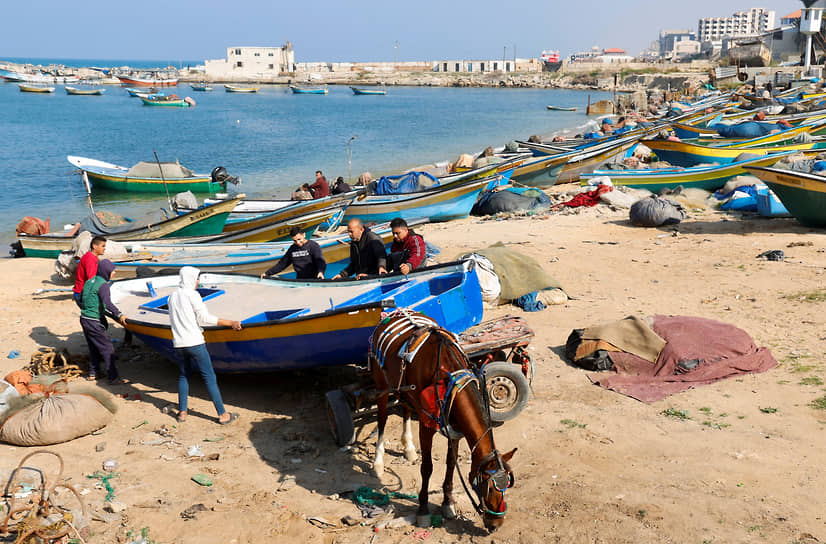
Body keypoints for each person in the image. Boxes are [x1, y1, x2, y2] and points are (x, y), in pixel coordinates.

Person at [167, 267, 242, 425]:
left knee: (183, 375)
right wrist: (231, 323)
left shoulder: (172, 296)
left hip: (179, 344)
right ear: (191, 279)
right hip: (194, 342)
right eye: (197, 279)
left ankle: (182, 413)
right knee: (209, 377)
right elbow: (205, 317)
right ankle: (222, 414)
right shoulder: (192, 295)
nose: (198, 282)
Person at [79, 259, 128, 383]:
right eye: (113, 271)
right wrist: (119, 314)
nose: (114, 273)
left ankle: (93, 372)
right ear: (106, 272)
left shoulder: (89, 281)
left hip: (84, 318)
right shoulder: (103, 285)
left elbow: (80, 298)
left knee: (94, 346)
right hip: (93, 321)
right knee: (107, 348)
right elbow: (108, 302)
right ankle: (113, 377)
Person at [260, 226, 326, 280]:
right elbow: (282, 264)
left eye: (299, 239)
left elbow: (320, 260)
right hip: (300, 280)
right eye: (295, 241)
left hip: (314, 279)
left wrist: (321, 272)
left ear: (304, 235)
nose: (297, 242)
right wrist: (267, 273)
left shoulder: (313, 246)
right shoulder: (292, 249)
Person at [73, 236, 106, 307]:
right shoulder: (90, 259)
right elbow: (91, 280)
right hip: (82, 293)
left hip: (81, 292)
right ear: (94, 246)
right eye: (103, 246)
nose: (104, 248)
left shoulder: (92, 257)